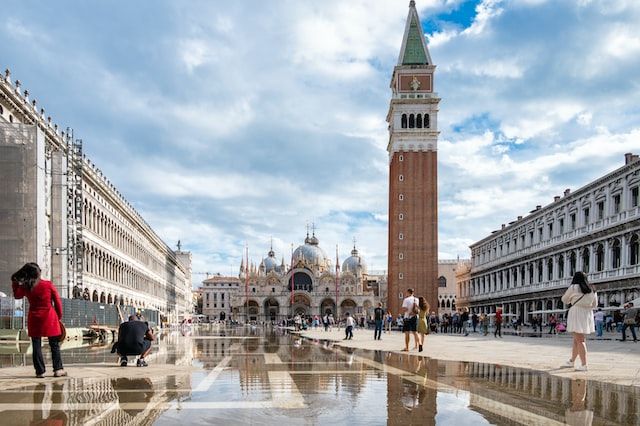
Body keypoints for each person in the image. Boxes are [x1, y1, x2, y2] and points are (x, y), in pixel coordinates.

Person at [11, 263, 66, 378]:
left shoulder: (26, 287)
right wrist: (59, 317)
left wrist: (15, 282)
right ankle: (58, 369)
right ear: (38, 273)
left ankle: (40, 371)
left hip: (34, 317)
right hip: (49, 317)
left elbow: (17, 295)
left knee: (36, 345)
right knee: (54, 344)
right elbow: (57, 301)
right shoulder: (48, 285)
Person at [561, 271, 597, 371]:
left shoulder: (573, 287)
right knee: (577, 339)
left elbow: (564, 300)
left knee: (580, 340)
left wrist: (572, 300)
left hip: (576, 312)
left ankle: (584, 365)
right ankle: (572, 361)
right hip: (587, 313)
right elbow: (595, 304)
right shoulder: (592, 289)